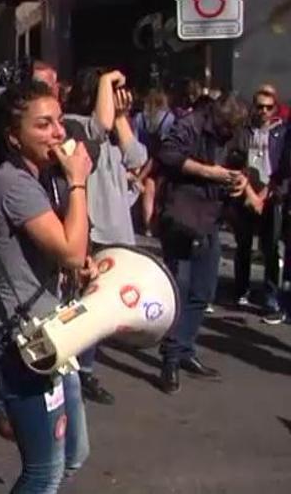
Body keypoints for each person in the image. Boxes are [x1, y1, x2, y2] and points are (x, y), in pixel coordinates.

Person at [0, 80, 93, 493]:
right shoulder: (14, 184)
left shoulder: (41, 177)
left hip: (53, 335)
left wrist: (79, 263)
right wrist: (79, 181)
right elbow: (70, 251)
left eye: (59, 121)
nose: (59, 133)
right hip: (24, 345)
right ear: (14, 137)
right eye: (43, 125)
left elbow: (67, 250)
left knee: (73, 455)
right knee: (43, 472)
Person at [64, 68, 148, 405]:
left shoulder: (114, 127)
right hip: (92, 228)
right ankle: (78, 372)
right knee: (83, 304)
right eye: (113, 93)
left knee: (99, 308)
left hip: (116, 229)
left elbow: (138, 158)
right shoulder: (74, 125)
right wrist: (105, 85)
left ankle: (85, 369)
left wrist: (124, 117)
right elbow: (97, 128)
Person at [157, 93, 251, 394]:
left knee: (203, 290)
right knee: (179, 289)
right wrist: (210, 172)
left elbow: (242, 166)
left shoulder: (236, 133)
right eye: (225, 128)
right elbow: (167, 155)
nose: (228, 135)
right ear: (217, 118)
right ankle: (170, 358)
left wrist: (241, 181)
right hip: (182, 214)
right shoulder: (192, 124)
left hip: (212, 216)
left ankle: (185, 349)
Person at [234, 88, 287, 323]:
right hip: (246, 193)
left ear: (275, 108)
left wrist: (265, 195)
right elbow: (236, 161)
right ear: (253, 107)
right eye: (260, 106)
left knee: (271, 248)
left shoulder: (282, 133)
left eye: (268, 107)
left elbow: (283, 170)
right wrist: (249, 193)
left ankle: (270, 295)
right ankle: (241, 289)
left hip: (270, 196)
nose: (264, 111)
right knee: (243, 244)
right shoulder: (244, 131)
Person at [132, 88, 176, 236]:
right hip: (161, 160)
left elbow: (134, 141)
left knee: (148, 188)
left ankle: (148, 226)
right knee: (159, 189)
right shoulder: (169, 118)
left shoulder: (139, 118)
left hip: (142, 158)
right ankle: (158, 224)